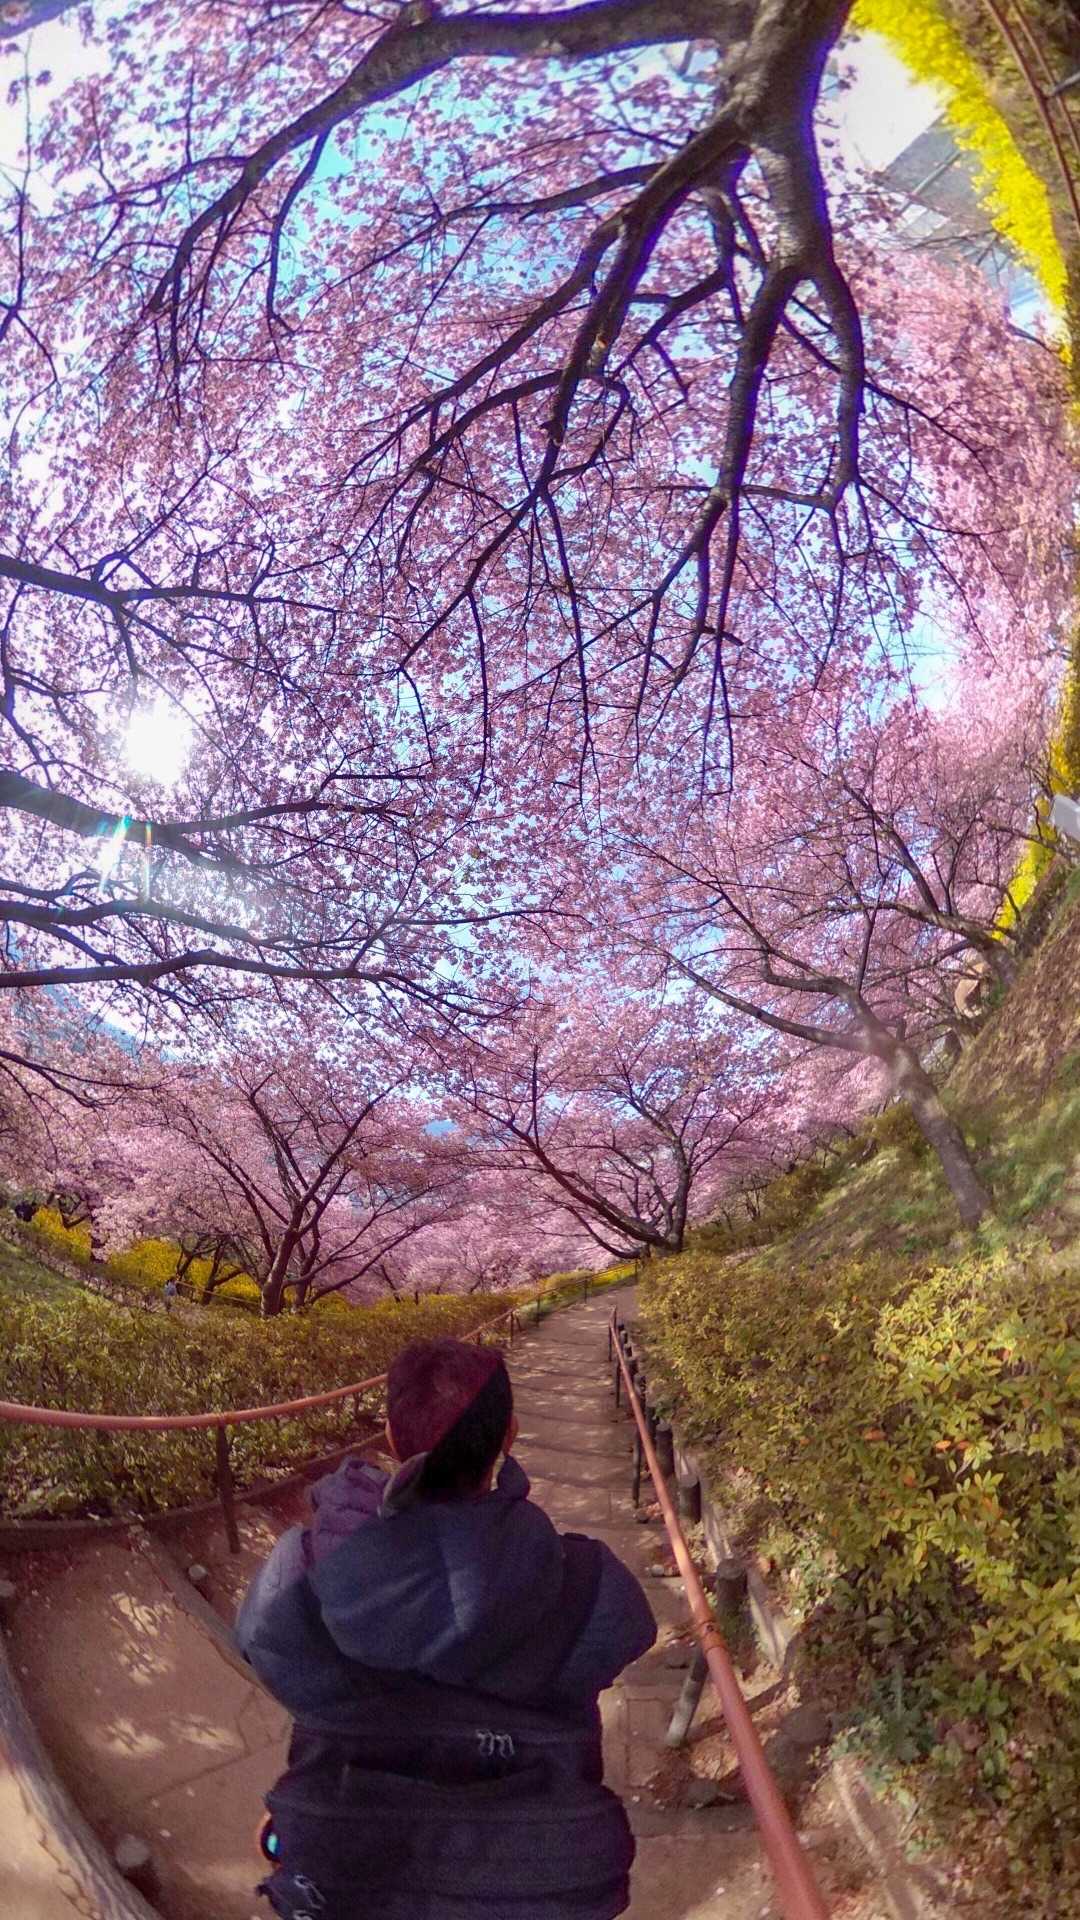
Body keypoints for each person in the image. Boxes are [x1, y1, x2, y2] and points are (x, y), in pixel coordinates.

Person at [236, 1336, 657, 1920]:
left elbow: (262, 1645)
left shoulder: (301, 1572)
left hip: (355, 1864)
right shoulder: (592, 1582)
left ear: (391, 1435)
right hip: (532, 1872)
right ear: (509, 1435)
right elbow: (630, 1630)